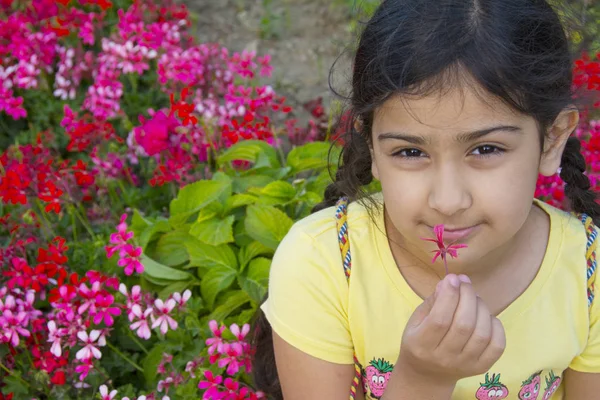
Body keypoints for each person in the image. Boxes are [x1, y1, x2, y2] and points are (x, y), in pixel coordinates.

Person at [251, 0, 600, 399]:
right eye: (410, 152)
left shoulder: (590, 275)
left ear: (552, 138)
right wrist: (422, 379)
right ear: (371, 146)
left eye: (486, 149)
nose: (447, 201)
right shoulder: (322, 264)